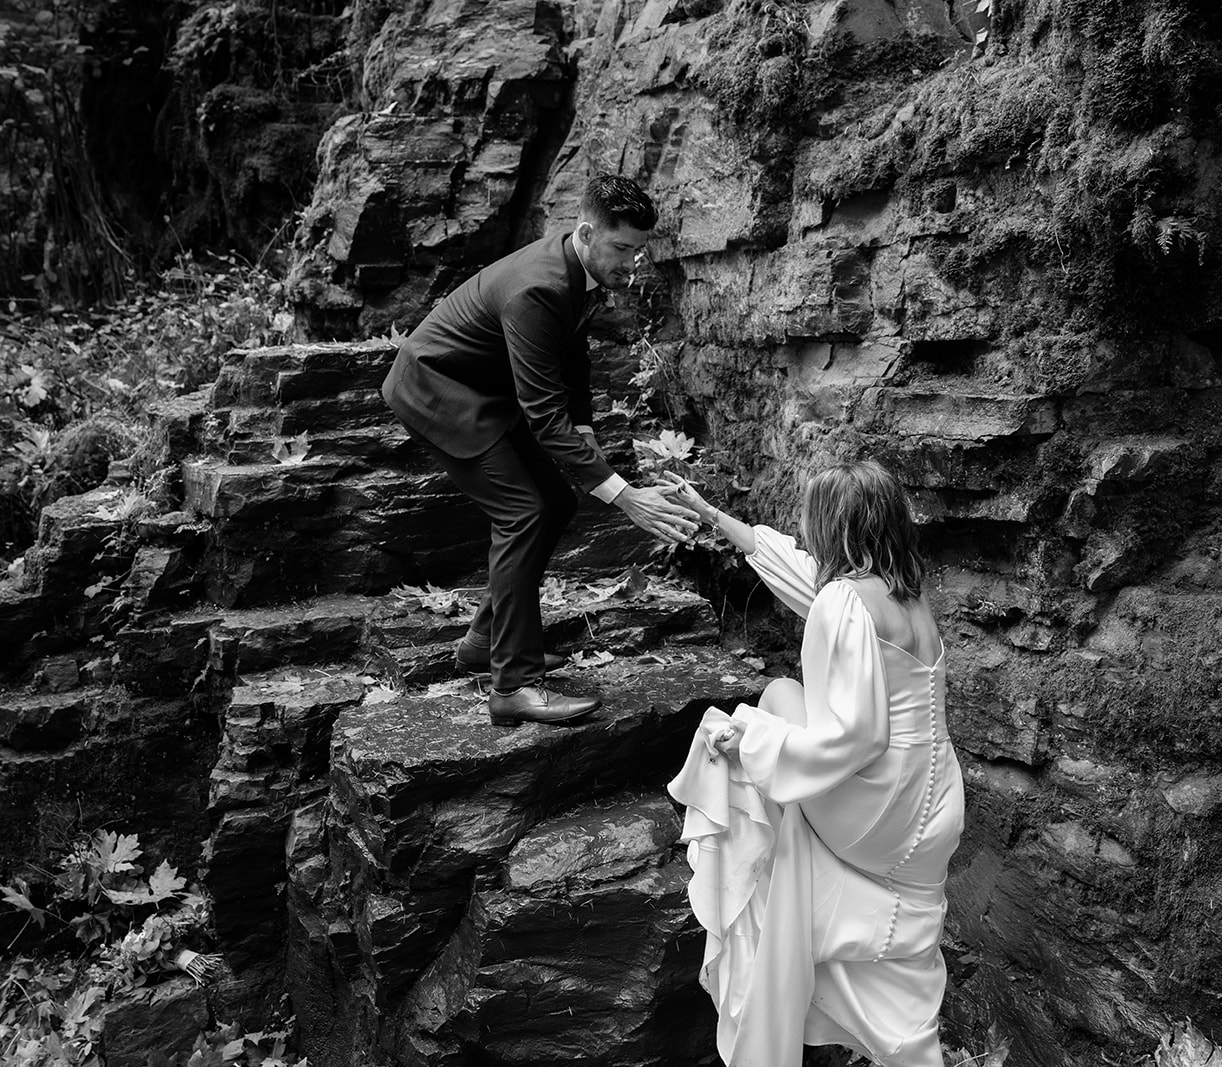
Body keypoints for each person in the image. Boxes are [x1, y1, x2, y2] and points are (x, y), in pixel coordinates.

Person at [665, 461, 965, 1067]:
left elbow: (856, 737)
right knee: (777, 702)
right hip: (937, 806)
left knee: (766, 708)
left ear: (836, 525)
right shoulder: (907, 597)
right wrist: (713, 516)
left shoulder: (843, 602)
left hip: (881, 811)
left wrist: (751, 744)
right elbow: (798, 573)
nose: (806, 531)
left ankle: (759, 920)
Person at [380, 176, 697, 727]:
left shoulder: (583, 270)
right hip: (437, 391)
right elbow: (542, 415)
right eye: (621, 249)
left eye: (639, 251)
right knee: (523, 512)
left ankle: (485, 642)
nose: (631, 263)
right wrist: (626, 497)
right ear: (585, 232)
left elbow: (571, 361)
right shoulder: (538, 288)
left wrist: (587, 430)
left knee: (557, 502)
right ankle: (514, 686)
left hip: (483, 389)